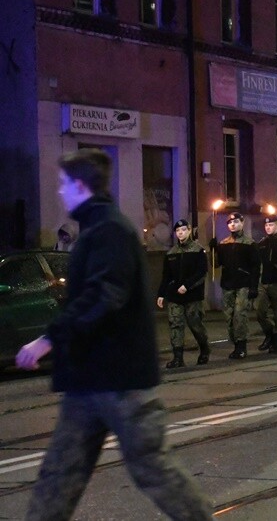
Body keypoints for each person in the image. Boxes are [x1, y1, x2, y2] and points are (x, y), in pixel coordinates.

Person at [15, 148, 212, 520]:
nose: (58, 192)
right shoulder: (98, 229)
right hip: (89, 380)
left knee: (154, 472)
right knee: (59, 475)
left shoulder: (110, 231)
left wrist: (48, 339)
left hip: (123, 383)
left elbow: (104, 295)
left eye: (62, 184)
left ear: (79, 185)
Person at [156, 219, 210, 368]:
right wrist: (161, 294)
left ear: (189, 231)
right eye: (178, 231)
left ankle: (204, 349)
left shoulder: (198, 250)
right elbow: (166, 276)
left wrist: (187, 286)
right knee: (175, 324)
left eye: (183, 230)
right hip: (175, 295)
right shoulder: (171, 253)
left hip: (193, 295)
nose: (180, 233)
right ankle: (178, 357)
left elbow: (201, 272)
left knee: (195, 324)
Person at [211, 212, 260, 360]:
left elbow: (256, 267)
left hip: (243, 285)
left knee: (240, 315)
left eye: (236, 222)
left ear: (242, 223)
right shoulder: (224, 244)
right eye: (230, 223)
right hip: (228, 284)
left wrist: (253, 287)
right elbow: (216, 264)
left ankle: (241, 346)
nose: (233, 224)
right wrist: (213, 250)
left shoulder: (249, 244)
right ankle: (235, 341)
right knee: (229, 316)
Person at [256, 214, 277, 353]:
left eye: (271, 225)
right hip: (264, 283)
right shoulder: (262, 243)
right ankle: (270, 335)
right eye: (266, 225)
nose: (268, 228)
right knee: (260, 313)